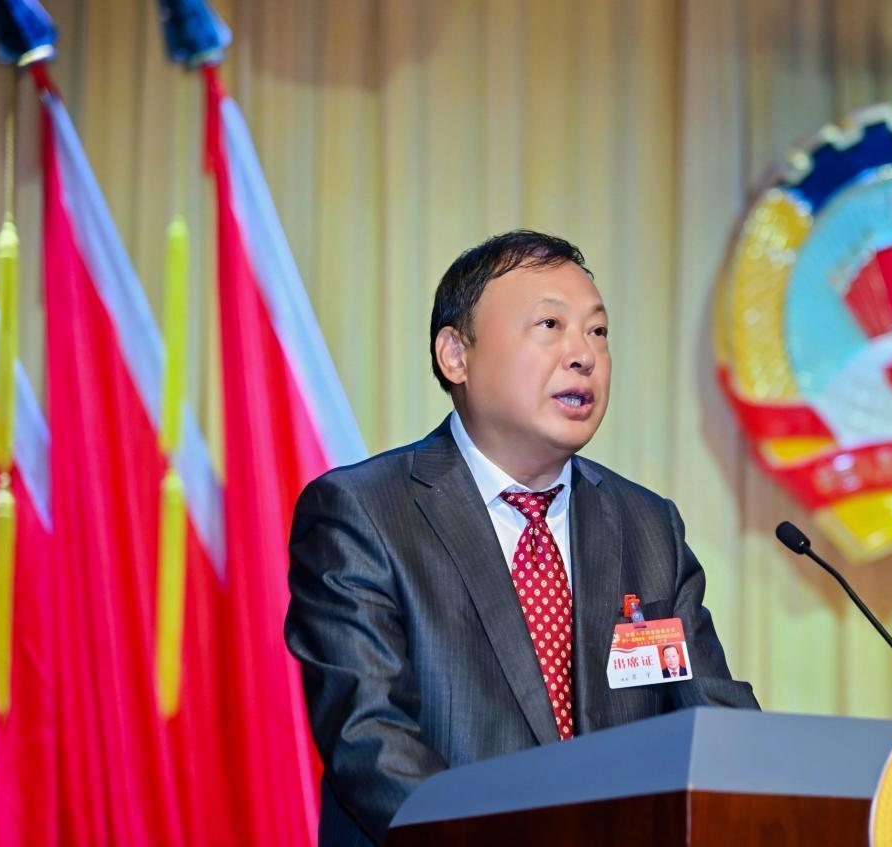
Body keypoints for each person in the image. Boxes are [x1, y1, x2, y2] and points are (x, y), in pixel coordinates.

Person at [285, 230, 758, 846]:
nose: (583, 355)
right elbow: (371, 742)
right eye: (550, 325)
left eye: (598, 331)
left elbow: (715, 729)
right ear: (456, 356)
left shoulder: (646, 526)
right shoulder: (364, 513)